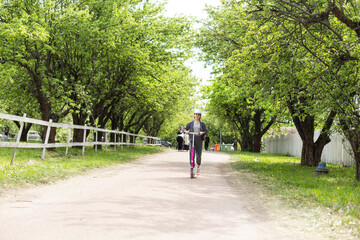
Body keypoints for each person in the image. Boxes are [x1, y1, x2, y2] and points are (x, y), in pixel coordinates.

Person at [184, 109, 208, 175]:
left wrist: (202, 132)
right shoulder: (191, 123)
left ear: (200, 116)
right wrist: (186, 131)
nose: (197, 116)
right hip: (192, 139)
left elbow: (206, 131)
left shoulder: (202, 123)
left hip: (199, 140)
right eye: (196, 114)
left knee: (198, 154)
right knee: (192, 153)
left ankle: (198, 166)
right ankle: (192, 166)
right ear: (194, 115)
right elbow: (185, 128)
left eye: (198, 115)